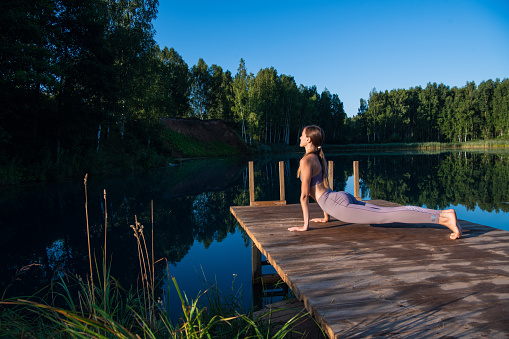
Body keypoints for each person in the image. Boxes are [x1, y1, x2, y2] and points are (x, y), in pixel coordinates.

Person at [288, 125, 462, 240]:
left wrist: (305, 226)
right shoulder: (317, 157)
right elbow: (322, 187)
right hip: (336, 198)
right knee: (390, 211)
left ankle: (442, 219)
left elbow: (304, 196)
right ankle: (444, 214)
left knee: (388, 216)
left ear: (309, 139)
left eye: (302, 135)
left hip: (335, 203)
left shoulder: (306, 161)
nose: (300, 138)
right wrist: (326, 216)